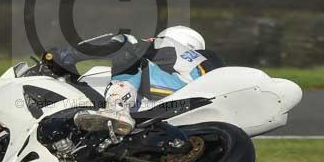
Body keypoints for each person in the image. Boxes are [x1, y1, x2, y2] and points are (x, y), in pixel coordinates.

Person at [68, 26, 218, 135]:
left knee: (132, 62)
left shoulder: (166, 43)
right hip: (196, 98)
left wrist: (71, 54)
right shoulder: (203, 61)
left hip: (183, 92)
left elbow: (127, 44)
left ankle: (117, 108)